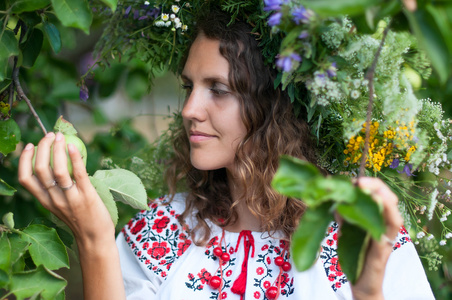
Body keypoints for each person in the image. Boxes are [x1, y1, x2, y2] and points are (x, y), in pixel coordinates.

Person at [18, 8, 434, 300]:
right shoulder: (161, 234)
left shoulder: (360, 235)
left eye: (217, 89)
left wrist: (367, 294)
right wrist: (94, 241)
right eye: (189, 87)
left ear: (275, 107)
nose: (189, 110)